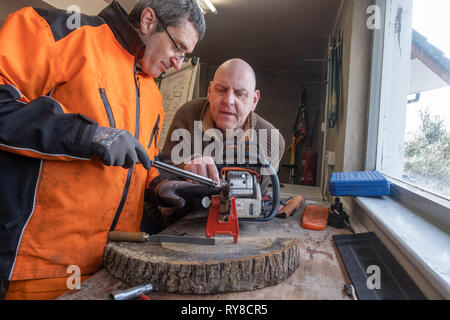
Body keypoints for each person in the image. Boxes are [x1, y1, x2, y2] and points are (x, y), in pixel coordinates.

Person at [0, 0, 216, 300]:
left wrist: (161, 186)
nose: (179, 62)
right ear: (149, 20)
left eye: (186, 55)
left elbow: (141, 165)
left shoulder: (152, 95)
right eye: (177, 47)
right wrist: (89, 135)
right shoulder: (59, 33)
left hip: (118, 264)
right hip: (44, 267)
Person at [141, 58, 289, 233]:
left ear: (254, 100)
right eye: (221, 90)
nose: (228, 100)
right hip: (172, 223)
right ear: (210, 90)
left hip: (234, 228)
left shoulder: (272, 141)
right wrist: (185, 167)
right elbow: (161, 177)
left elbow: (249, 206)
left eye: (240, 93)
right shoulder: (188, 115)